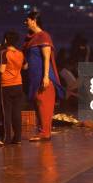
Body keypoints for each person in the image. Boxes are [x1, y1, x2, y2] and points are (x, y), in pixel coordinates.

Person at [22, 12, 65, 142]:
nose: (25, 23)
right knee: (37, 104)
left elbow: (46, 58)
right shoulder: (30, 39)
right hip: (33, 78)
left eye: (27, 20)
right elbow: (29, 60)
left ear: (34, 21)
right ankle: (42, 132)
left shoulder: (43, 36)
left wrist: (46, 77)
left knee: (43, 104)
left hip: (43, 77)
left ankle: (45, 133)